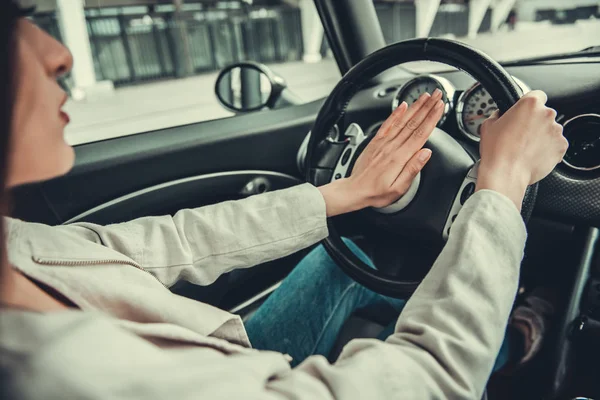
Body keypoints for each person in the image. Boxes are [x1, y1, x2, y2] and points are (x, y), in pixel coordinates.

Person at [0, 2, 568, 399]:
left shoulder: (14, 246)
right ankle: (516, 340)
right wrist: (501, 184)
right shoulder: (53, 374)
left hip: (223, 351)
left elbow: (166, 243)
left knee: (342, 261)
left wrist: (344, 193)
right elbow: (429, 383)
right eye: (15, 20)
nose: (57, 53)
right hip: (241, 373)